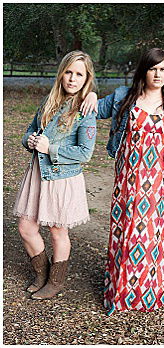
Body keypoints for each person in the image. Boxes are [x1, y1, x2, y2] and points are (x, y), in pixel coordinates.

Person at [91, 48, 164, 314]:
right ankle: (121, 294)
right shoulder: (123, 97)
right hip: (129, 180)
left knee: (156, 236)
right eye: (154, 68)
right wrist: (91, 94)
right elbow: (93, 110)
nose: (158, 74)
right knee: (127, 234)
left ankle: (150, 294)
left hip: (162, 182)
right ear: (144, 70)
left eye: (163, 69)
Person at [14, 50, 98, 300]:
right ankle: (42, 274)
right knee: (26, 227)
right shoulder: (49, 101)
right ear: (61, 74)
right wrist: (28, 140)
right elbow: (29, 130)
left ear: (86, 78)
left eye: (79, 74)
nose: (73, 78)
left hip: (62, 178)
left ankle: (55, 281)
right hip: (38, 174)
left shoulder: (86, 109)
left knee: (57, 232)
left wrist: (49, 148)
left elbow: (85, 153)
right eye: (69, 72)